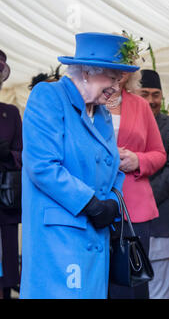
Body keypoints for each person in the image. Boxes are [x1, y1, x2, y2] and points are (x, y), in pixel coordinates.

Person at [20, 32, 139, 299]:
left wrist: (112, 204)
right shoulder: (49, 97)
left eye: (119, 80)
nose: (116, 88)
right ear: (86, 71)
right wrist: (92, 204)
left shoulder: (103, 113)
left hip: (95, 237)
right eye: (112, 78)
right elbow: (42, 166)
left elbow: (113, 167)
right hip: (58, 239)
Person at [106, 66, 166, 299]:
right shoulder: (86, 102)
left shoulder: (140, 105)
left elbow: (159, 154)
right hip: (91, 203)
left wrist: (137, 160)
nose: (119, 71)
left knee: (131, 286)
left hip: (134, 208)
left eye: (125, 66)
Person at [136, 69, 169, 299]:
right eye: (145, 93)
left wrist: (141, 200)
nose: (151, 101)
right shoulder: (122, 125)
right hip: (127, 224)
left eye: (156, 94)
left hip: (160, 222)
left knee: (160, 293)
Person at [0, 49, 22, 299]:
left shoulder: (11, 113)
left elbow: (25, 155)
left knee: (6, 268)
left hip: (4, 200)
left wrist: (8, 156)